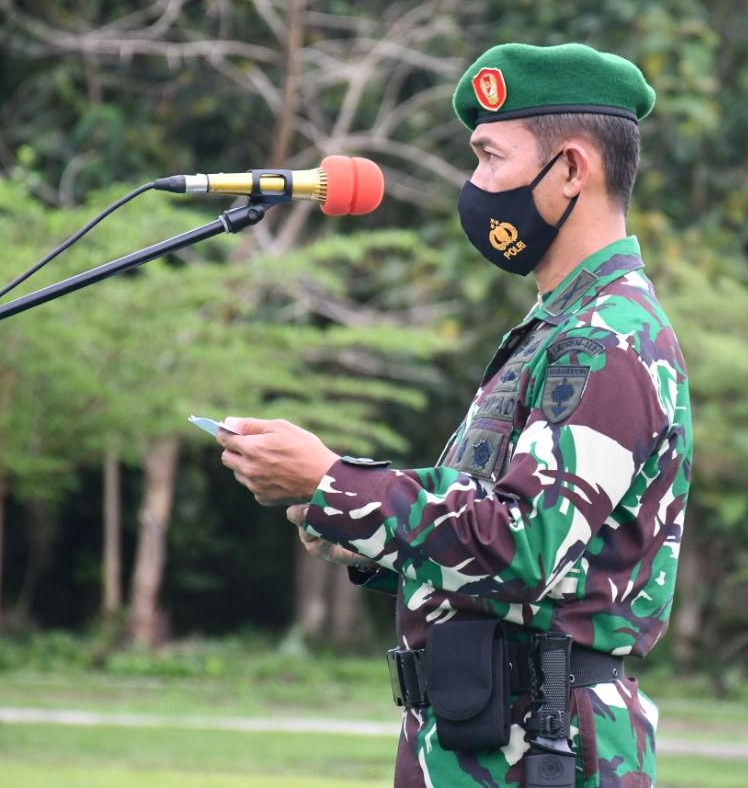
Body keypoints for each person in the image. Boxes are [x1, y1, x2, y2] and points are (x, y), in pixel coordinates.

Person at [217, 42, 693, 788]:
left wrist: (340, 481)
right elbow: (491, 531)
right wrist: (343, 518)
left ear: (572, 169)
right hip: (484, 735)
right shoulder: (554, 333)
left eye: (490, 156)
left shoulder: (608, 339)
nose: (476, 185)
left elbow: (527, 541)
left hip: (546, 746)